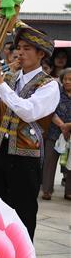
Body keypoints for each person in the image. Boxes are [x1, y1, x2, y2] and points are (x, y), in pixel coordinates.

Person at [0, 23, 60, 238]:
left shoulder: (49, 85)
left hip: (25, 158)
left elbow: (27, 111)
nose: (20, 52)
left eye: (27, 48)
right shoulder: (7, 79)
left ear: (41, 54)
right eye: (19, 47)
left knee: (22, 213)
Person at [41, 67, 71, 201]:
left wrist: (68, 126)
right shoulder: (56, 92)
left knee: (70, 164)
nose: (67, 82)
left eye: (70, 79)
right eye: (65, 79)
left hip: (70, 134)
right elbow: (50, 110)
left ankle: (69, 191)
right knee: (49, 163)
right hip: (54, 133)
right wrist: (62, 125)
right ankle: (47, 190)